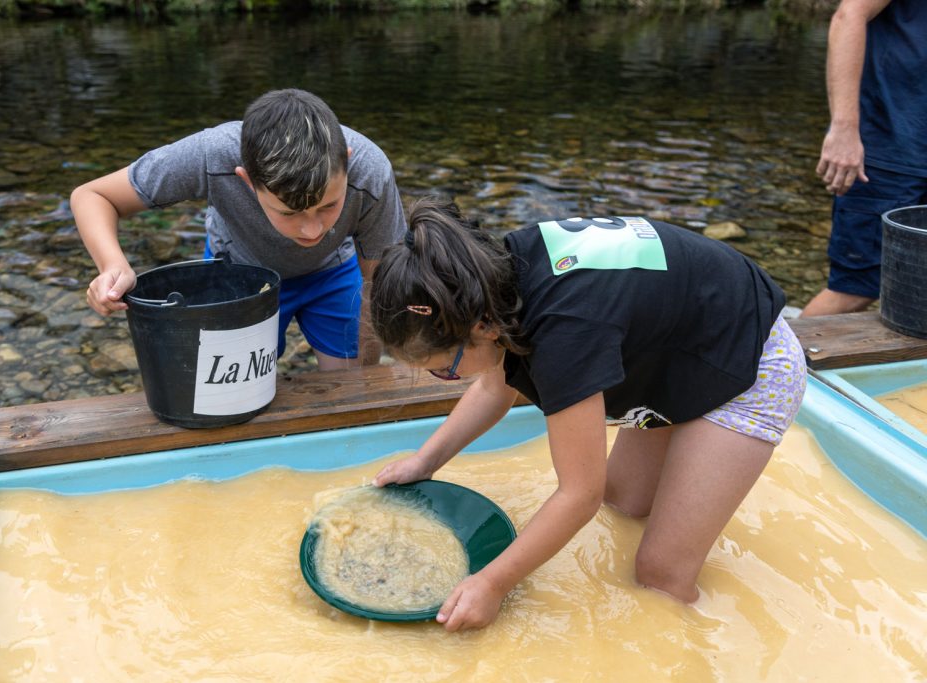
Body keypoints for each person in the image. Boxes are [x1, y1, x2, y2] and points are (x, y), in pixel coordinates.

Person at [369, 197, 807, 632]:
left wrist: (492, 583)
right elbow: (494, 384)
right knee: (624, 502)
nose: (449, 379)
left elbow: (579, 495)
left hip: (752, 360)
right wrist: (426, 460)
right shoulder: (483, 275)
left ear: (483, 327)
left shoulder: (565, 333)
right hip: (679, 349)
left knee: (661, 576)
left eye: (445, 370)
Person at [71, 88, 407, 369]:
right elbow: (93, 195)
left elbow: (378, 283)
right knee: (233, 394)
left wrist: (368, 366)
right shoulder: (210, 156)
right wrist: (112, 265)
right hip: (239, 274)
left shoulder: (369, 172)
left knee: (350, 386)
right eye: (289, 212)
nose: (311, 230)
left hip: (333, 273)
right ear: (245, 179)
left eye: (328, 206)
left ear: (346, 163)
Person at [801, 0, 927, 317]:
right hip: (892, 151)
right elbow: (849, 15)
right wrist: (844, 128)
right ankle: (765, 365)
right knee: (853, 291)